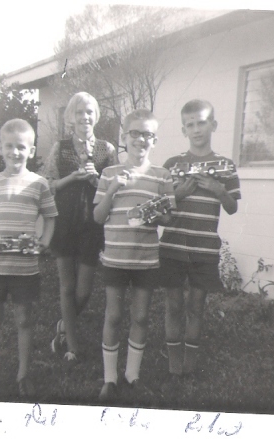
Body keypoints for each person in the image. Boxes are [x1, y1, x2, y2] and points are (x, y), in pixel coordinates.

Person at [0, 118, 58, 402]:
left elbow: (51, 217)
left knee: (24, 320)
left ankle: (23, 374)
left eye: (21, 147)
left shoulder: (39, 184)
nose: (15, 152)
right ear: (0, 148)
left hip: (25, 267)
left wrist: (45, 242)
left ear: (31, 150)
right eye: (10, 146)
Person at [93, 109, 175, 402]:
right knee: (113, 316)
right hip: (115, 258)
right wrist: (114, 188)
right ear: (124, 138)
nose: (141, 139)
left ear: (155, 140)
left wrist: (155, 212)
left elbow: (168, 218)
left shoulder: (161, 175)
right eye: (135, 133)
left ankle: (132, 375)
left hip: (145, 260)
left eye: (148, 135)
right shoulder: (108, 173)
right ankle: (110, 378)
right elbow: (98, 216)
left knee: (140, 316)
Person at [159, 99, 241, 388]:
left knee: (196, 306)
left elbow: (232, 207)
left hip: (205, 250)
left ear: (213, 125)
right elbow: (161, 208)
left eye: (202, 122)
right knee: (172, 305)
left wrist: (219, 189)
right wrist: (178, 194)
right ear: (184, 129)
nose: (196, 129)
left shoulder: (225, 166)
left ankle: (189, 367)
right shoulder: (172, 165)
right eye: (190, 124)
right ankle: (173, 365)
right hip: (173, 247)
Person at [42, 92, 118, 364]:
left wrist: (97, 179)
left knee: (83, 290)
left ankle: (63, 327)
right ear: (70, 118)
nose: (84, 117)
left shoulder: (106, 149)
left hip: (91, 223)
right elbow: (47, 185)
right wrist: (72, 178)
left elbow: (112, 189)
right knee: (66, 286)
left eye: (89, 112)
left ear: (95, 116)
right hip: (64, 220)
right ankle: (72, 346)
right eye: (78, 112)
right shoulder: (59, 147)